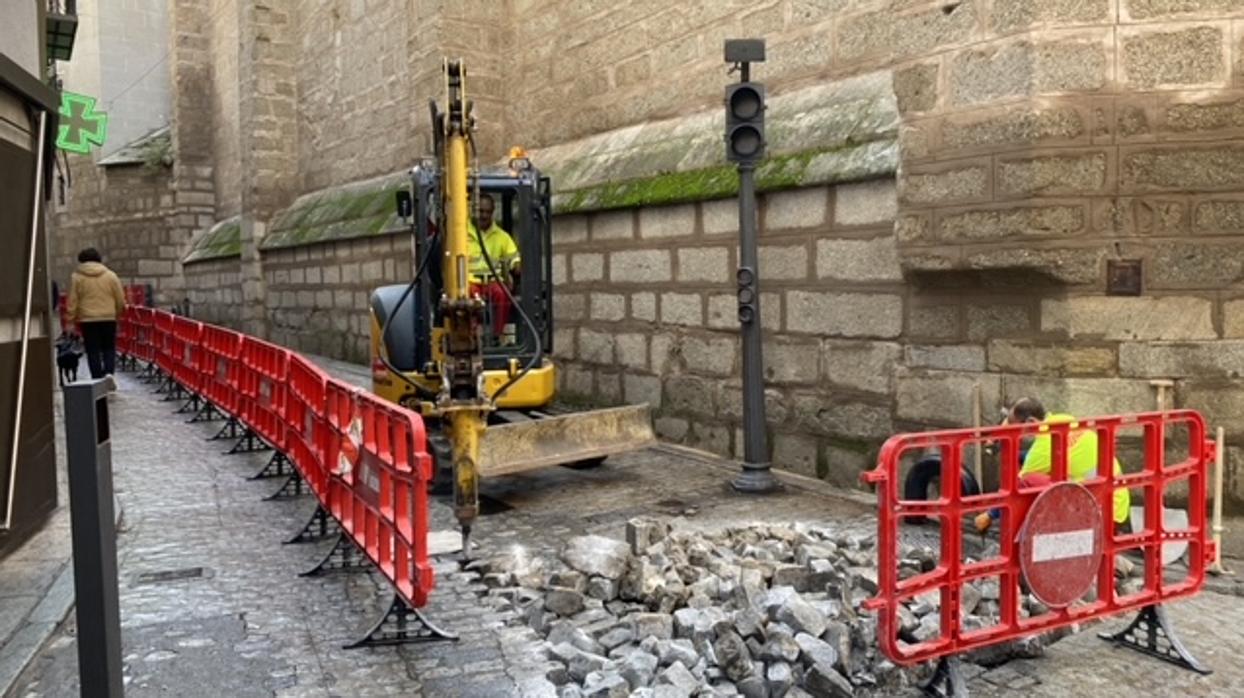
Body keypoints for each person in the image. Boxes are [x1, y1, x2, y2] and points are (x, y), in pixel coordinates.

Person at [976, 397, 1131, 532]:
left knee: (1029, 480)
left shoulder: (1043, 447)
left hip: (1098, 515)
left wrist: (990, 515)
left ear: (1030, 422)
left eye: (1016, 427)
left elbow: (1015, 489)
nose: (1017, 433)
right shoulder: (1063, 419)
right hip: (1117, 506)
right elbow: (1047, 455)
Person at [66, 247, 125, 389]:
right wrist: (117, 314)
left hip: (88, 319)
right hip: (108, 317)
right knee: (109, 348)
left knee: (93, 350)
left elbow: (73, 300)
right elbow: (120, 299)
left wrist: (70, 320)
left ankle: (97, 380)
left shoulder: (77, 277)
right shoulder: (111, 276)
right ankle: (109, 373)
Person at [467, 193, 520, 339]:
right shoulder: (461, 233)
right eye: (480, 211)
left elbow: (514, 258)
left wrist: (517, 267)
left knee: (503, 294)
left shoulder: (502, 237)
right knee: (466, 297)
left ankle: (497, 335)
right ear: (473, 210)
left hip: (492, 281)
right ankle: (472, 336)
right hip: (470, 282)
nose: (484, 215)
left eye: (487, 212)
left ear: (492, 212)